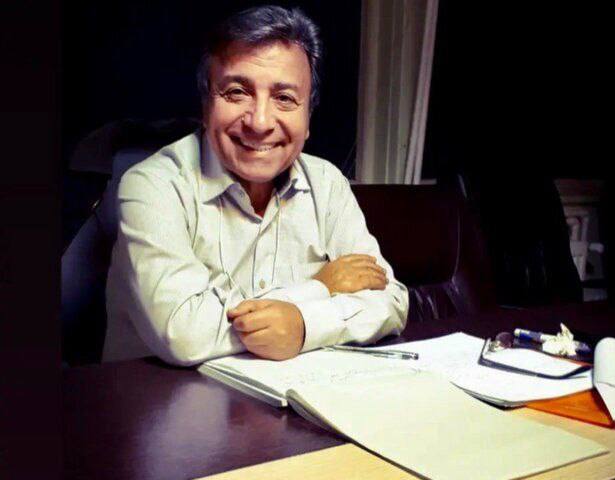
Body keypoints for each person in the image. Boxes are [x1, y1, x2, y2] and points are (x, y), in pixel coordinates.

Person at [103, 6, 409, 366]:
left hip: (291, 390)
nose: (260, 122)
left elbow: (391, 299)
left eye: (284, 98)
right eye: (237, 92)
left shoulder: (327, 183)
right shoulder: (151, 185)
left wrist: (302, 325)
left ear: (308, 118)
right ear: (205, 107)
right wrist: (320, 288)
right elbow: (184, 333)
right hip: (156, 394)